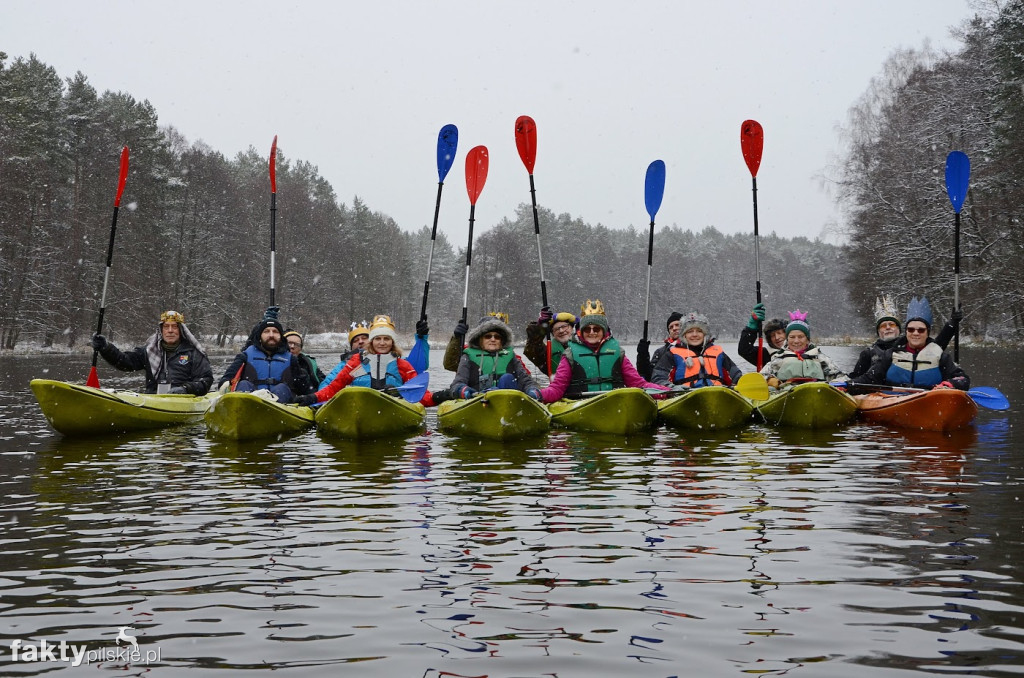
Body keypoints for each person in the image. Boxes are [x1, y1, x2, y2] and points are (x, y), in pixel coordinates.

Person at [538, 300, 667, 402]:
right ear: (581, 332)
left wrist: (666, 391)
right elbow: (556, 390)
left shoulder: (618, 353)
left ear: (603, 331)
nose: (592, 332)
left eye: (596, 329)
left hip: (614, 402)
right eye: (587, 329)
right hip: (582, 404)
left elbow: (639, 384)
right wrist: (537, 394)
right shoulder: (570, 355)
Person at [296, 314, 434, 405]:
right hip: (358, 407)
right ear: (372, 342)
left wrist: (422, 339)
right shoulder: (352, 363)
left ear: (392, 342)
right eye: (356, 340)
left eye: (386, 339)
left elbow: (419, 373)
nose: (382, 343)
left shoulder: (401, 364)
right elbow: (331, 387)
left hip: (391, 407)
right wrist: (314, 398)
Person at [852, 296, 970, 391]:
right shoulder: (888, 354)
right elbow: (867, 378)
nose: (916, 333)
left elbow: (962, 378)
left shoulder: (937, 353)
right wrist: (848, 385)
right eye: (911, 330)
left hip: (929, 400)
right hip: (891, 398)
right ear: (906, 332)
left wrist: (952, 324)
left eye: (921, 330)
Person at [91, 310, 213, 395]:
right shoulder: (149, 351)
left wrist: (186, 389)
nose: (170, 331)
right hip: (153, 400)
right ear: (161, 330)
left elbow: (205, 381)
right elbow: (125, 361)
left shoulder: (194, 353)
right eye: (166, 327)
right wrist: (105, 348)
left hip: (182, 401)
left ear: (181, 330)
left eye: (174, 327)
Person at [217, 307, 313, 404]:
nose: (271, 335)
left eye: (275, 332)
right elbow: (227, 378)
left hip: (281, 406)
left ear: (281, 337)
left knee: (282, 388)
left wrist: (311, 397)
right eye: (266, 331)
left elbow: (305, 388)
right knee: (244, 384)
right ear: (260, 336)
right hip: (250, 403)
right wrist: (225, 383)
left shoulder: (291, 359)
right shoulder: (245, 356)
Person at [439, 314, 541, 401]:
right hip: (478, 399)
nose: (493, 339)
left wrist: (532, 389)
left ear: (502, 340)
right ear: (479, 339)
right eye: (488, 336)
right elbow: (457, 381)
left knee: (507, 378)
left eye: (497, 337)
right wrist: (462, 390)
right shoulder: (468, 356)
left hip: (508, 399)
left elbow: (525, 380)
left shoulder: (511, 356)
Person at [651, 312, 742, 388]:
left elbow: (735, 374)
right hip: (684, 395)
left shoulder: (718, 352)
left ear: (705, 334)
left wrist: (739, 383)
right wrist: (670, 387)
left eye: (699, 331)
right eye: (690, 331)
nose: (695, 335)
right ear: (684, 335)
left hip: (716, 393)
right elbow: (659, 377)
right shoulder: (672, 354)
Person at [760, 310, 846, 389]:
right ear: (787, 339)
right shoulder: (779, 358)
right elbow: (761, 377)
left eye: (800, 337)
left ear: (807, 339)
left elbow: (842, 377)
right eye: (792, 337)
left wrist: (836, 384)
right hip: (786, 394)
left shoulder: (820, 358)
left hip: (816, 393)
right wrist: (769, 379)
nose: (796, 341)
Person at [524, 307, 578, 376]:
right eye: (556, 329)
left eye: (564, 326)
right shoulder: (548, 352)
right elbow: (531, 350)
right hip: (560, 386)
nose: (561, 331)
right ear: (553, 334)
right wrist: (539, 328)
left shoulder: (584, 345)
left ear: (572, 328)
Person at [737, 302, 786, 369]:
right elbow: (744, 350)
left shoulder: (798, 350)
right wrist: (751, 328)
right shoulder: (764, 354)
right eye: (772, 335)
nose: (777, 338)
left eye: (779, 333)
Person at [636, 311, 682, 380]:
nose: (674, 328)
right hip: (669, 387)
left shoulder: (697, 347)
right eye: (671, 327)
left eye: (677, 325)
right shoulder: (661, 352)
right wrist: (643, 355)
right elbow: (649, 376)